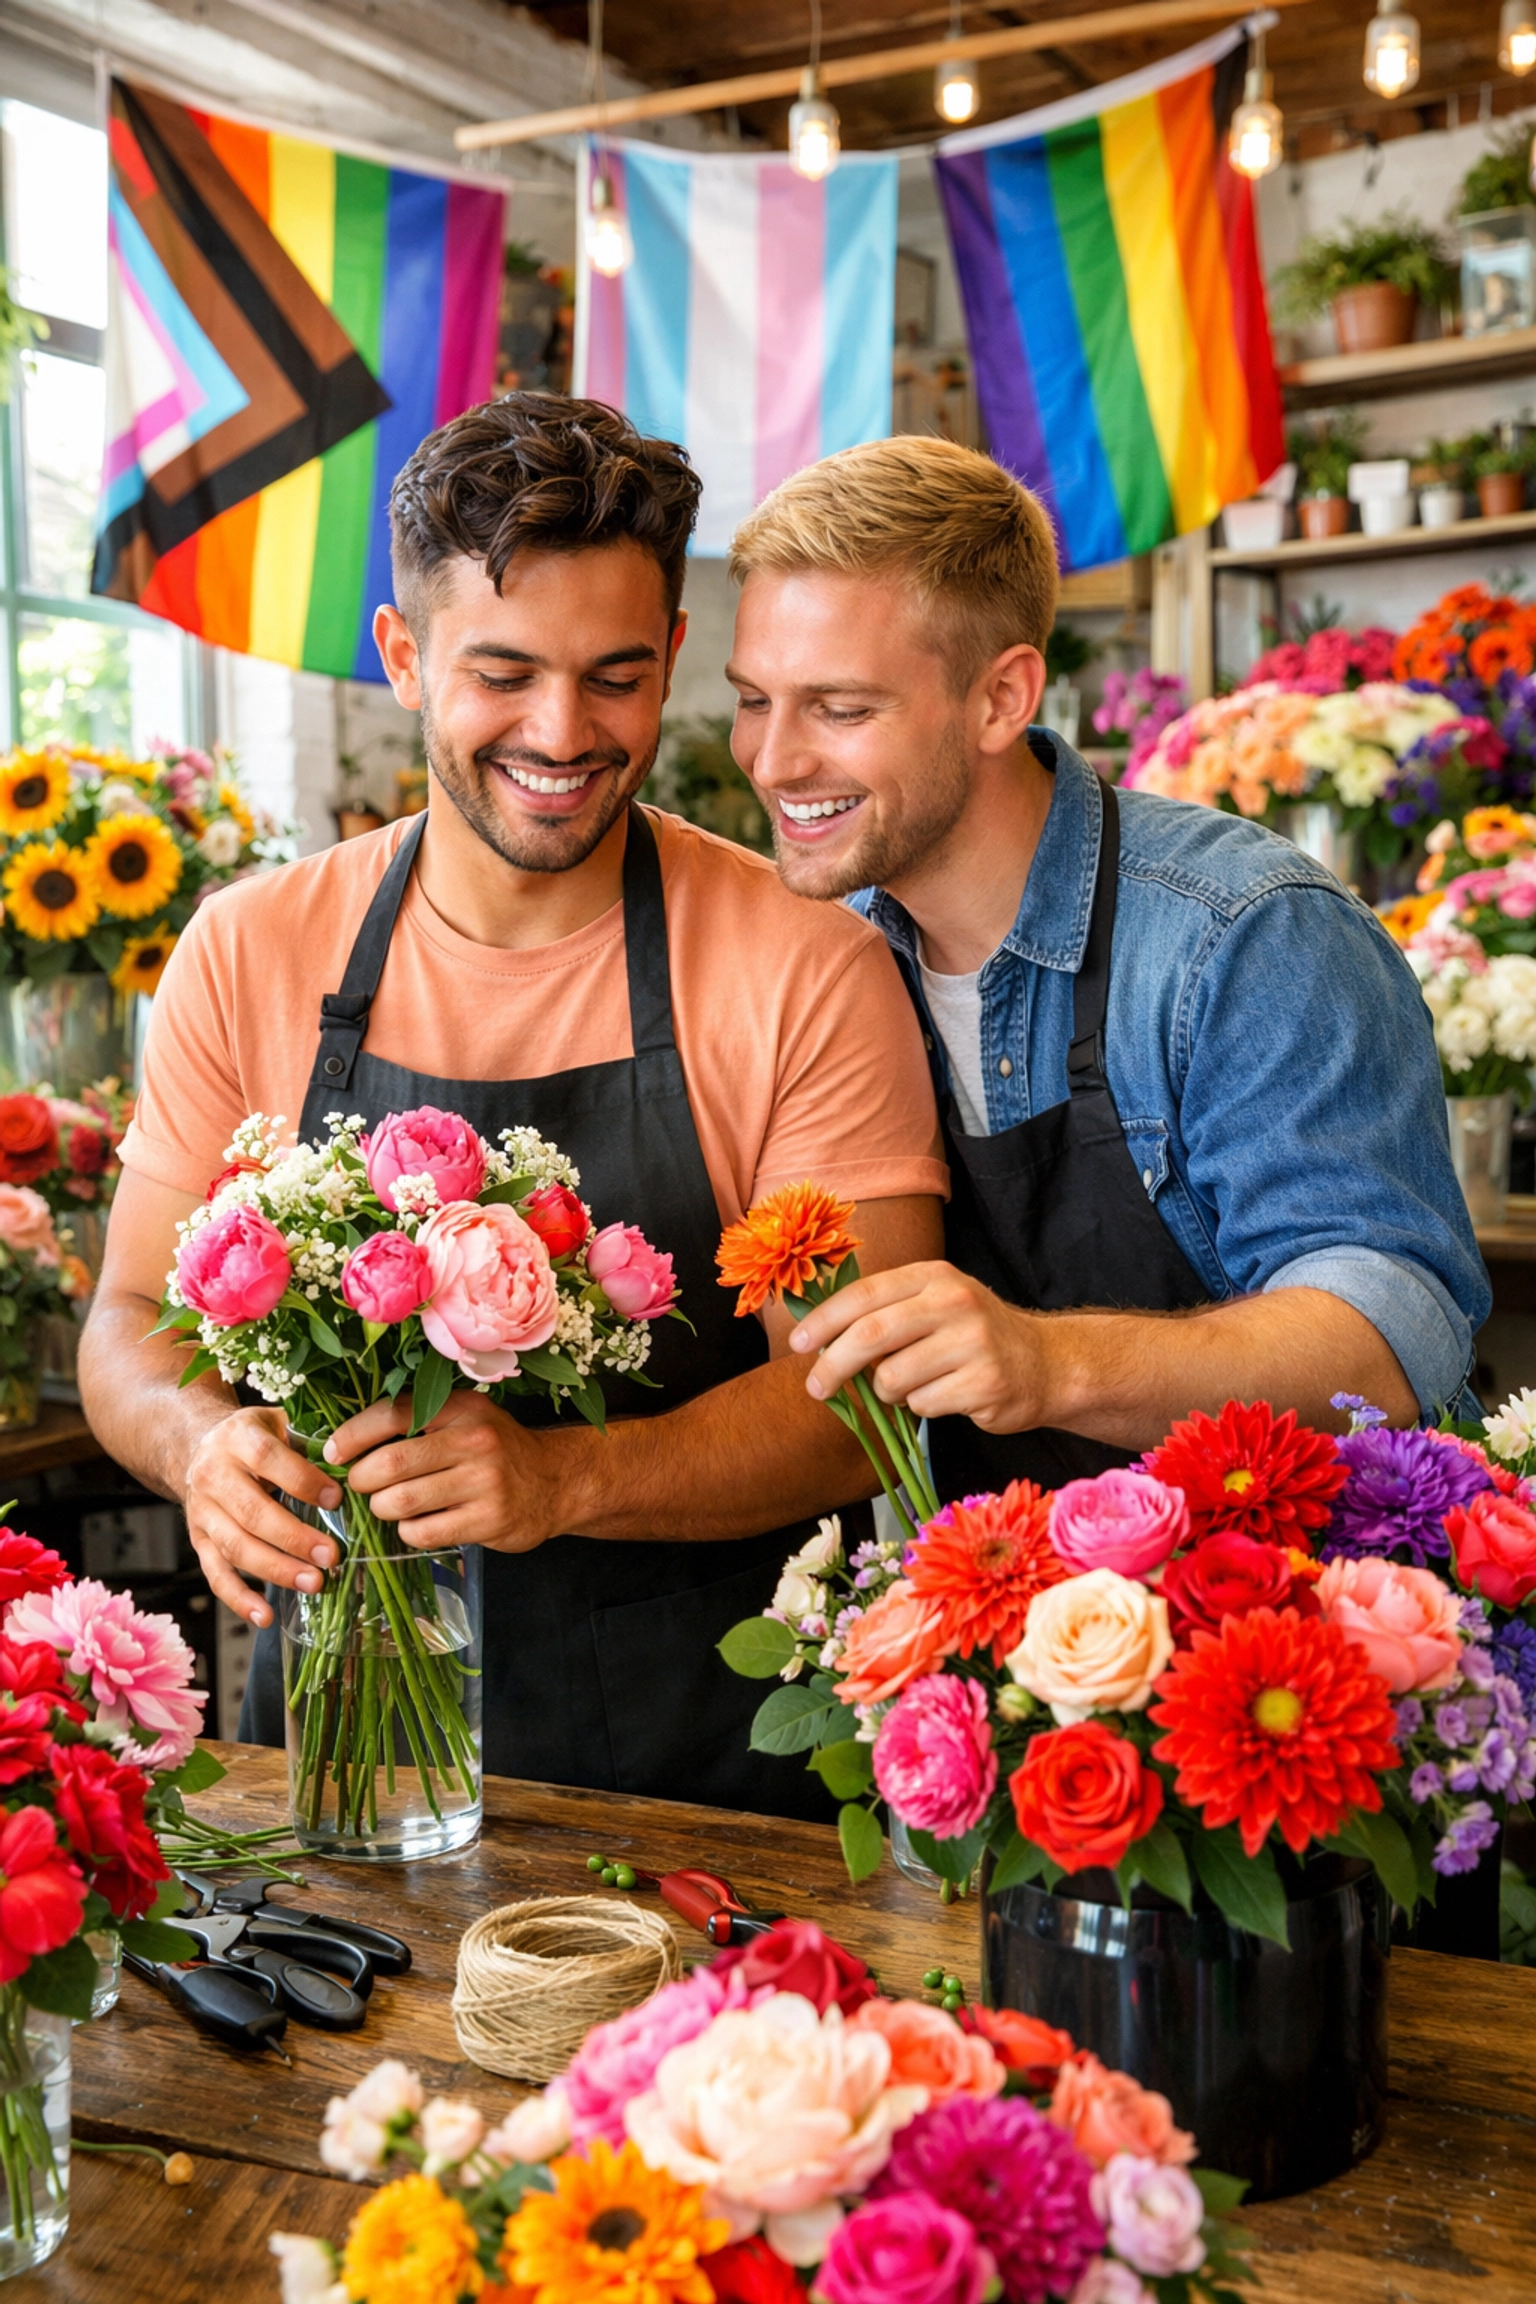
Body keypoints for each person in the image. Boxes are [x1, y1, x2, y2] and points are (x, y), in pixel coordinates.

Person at [80, 395, 946, 1814]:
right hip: (340, 1750)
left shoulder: (807, 968)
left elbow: (864, 1406)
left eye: (616, 675)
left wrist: (565, 1481)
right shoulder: (249, 950)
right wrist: (198, 1445)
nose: (564, 731)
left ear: (673, 656)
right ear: (405, 657)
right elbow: (124, 1325)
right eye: (504, 672)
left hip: (705, 1771)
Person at [722, 434, 1490, 1503]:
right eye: (755, 699)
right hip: (1015, 1633)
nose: (772, 759)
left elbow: (1392, 1337)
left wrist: (1047, 1364)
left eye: (841, 709)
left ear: (1002, 698)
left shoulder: (1246, 937)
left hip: (1306, 1609)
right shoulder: (826, 962)